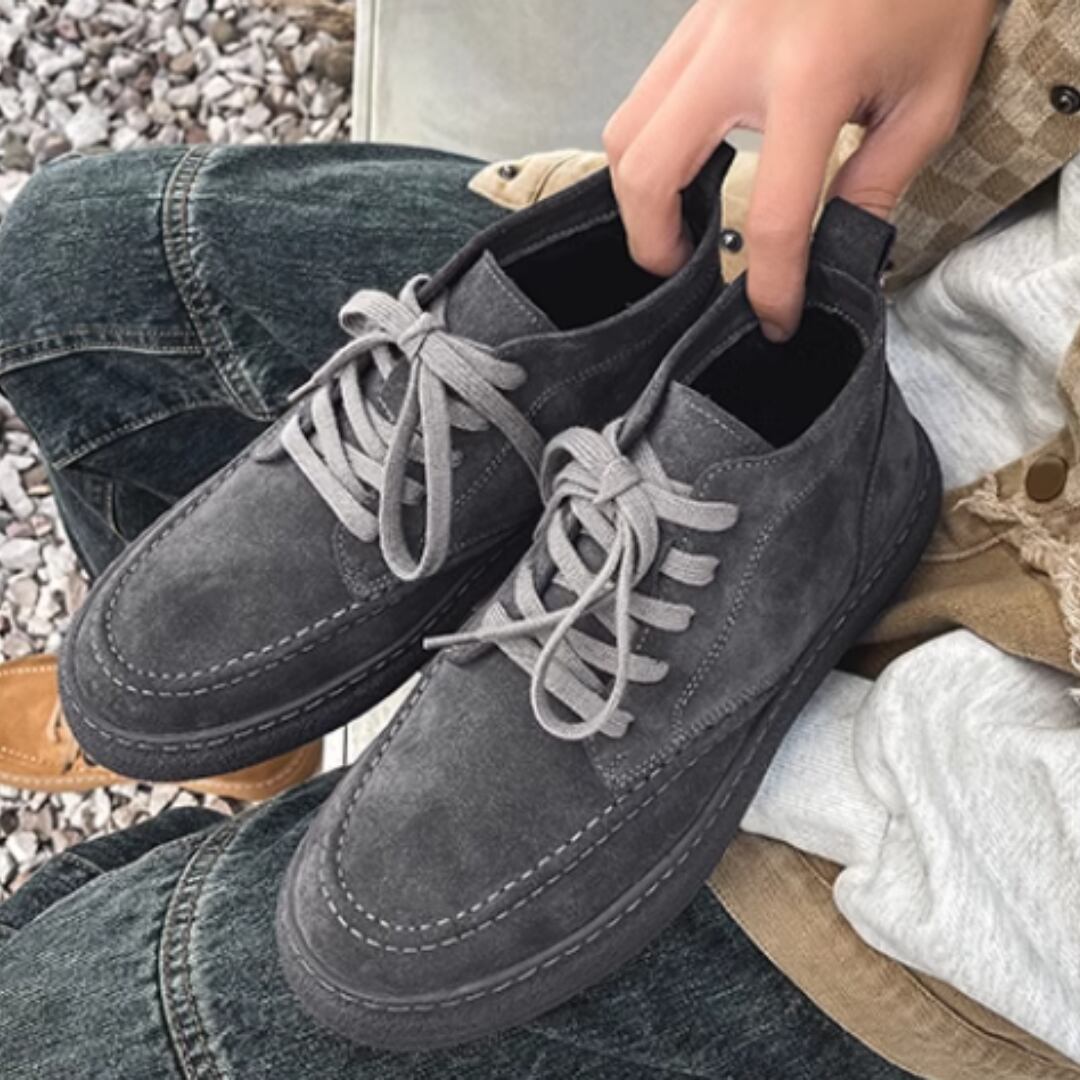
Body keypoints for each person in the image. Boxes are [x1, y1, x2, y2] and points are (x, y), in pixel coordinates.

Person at [1, 0, 1079, 1076]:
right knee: (64, 262)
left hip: (989, 814)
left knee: (55, 1019)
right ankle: (260, 754)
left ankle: (239, 815)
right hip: (936, 258)